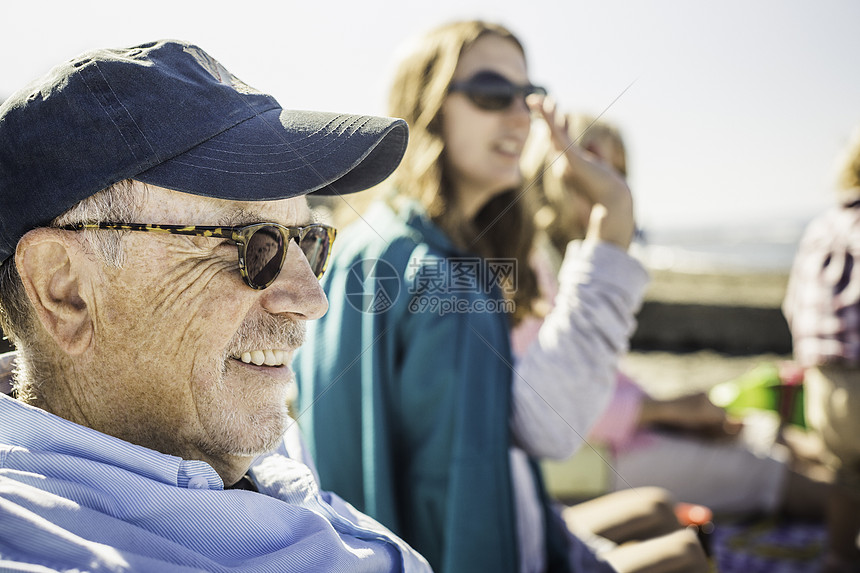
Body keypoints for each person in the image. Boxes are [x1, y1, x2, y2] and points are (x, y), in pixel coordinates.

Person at [0, 39, 433, 572]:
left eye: (310, 243)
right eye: (256, 243)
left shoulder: (227, 432)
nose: (310, 300)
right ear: (63, 289)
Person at [295, 20, 707, 573]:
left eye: (530, 96)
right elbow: (534, 441)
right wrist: (613, 228)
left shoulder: (377, 241)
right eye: (493, 94)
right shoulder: (441, 276)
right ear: (428, 107)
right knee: (688, 555)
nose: (521, 116)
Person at [519, 112, 829, 521]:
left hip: (615, 439)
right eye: (590, 159)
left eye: (619, 169)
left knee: (771, 433)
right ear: (553, 163)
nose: (607, 177)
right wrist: (672, 411)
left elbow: (601, 375)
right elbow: (553, 400)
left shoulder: (568, 256)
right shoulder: (526, 265)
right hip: (584, 462)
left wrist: (677, 411)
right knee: (777, 473)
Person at [783, 125, 860, 573]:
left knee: (844, 476)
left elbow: (794, 303)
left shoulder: (821, 227)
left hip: (823, 379)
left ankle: (839, 556)